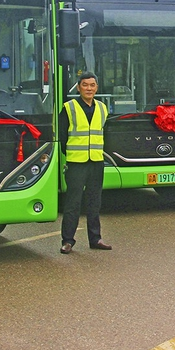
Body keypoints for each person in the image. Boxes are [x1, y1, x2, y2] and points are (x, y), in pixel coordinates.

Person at [60, 71, 112, 254]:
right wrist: (72, 154)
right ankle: (67, 241)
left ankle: (95, 239)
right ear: (78, 87)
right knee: (72, 203)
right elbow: (62, 136)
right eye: (85, 85)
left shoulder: (103, 108)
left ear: (97, 88)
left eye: (92, 85)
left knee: (94, 202)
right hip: (76, 163)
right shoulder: (69, 107)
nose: (89, 88)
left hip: (96, 162)